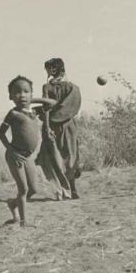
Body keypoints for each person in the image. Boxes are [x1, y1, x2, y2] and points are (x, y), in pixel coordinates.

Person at [0, 75, 57, 227]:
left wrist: (32, 99)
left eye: (26, 91)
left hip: (28, 156)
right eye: (17, 92)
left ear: (31, 93)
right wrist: (11, 151)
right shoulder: (13, 114)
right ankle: (23, 222)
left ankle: (12, 203)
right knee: (23, 189)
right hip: (15, 155)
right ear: (10, 96)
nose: (22, 95)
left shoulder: (34, 111)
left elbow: (53, 103)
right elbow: (1, 134)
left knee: (33, 190)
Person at [35, 58, 82, 200]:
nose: (47, 72)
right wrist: (47, 123)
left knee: (70, 158)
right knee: (54, 159)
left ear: (54, 69)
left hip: (66, 127)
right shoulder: (47, 87)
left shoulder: (72, 88)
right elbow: (47, 108)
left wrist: (47, 118)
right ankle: (61, 191)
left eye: (48, 69)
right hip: (53, 127)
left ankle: (72, 189)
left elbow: (68, 108)